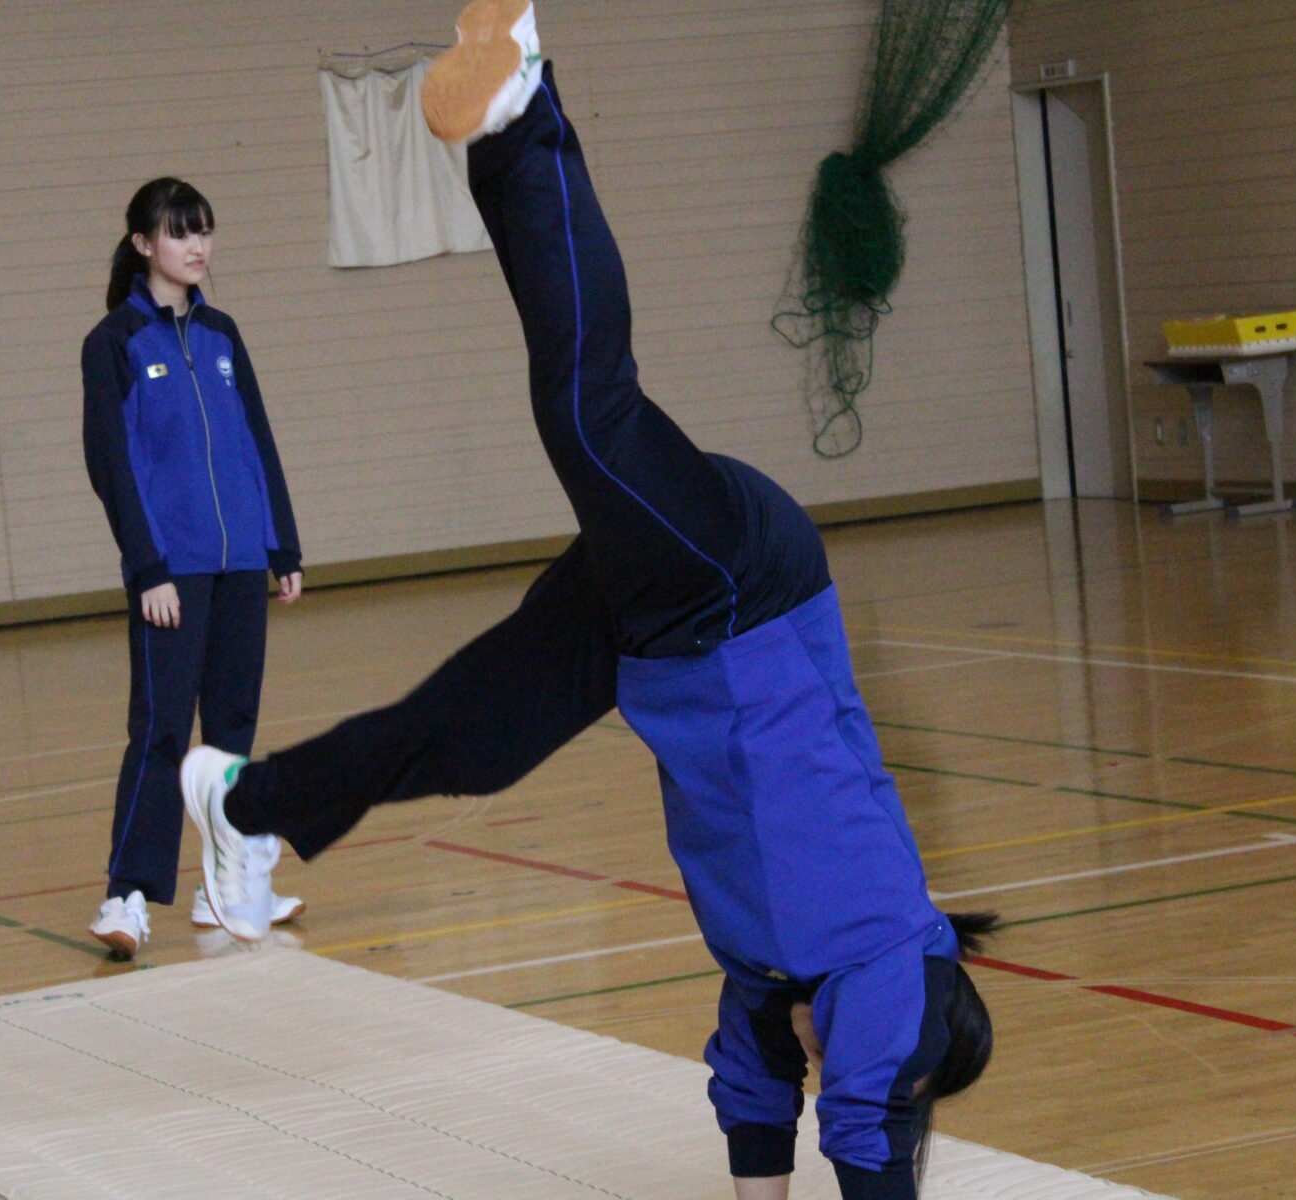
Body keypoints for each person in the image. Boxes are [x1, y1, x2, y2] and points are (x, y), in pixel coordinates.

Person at [181, 5, 996, 1197]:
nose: (821, 1075)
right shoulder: (888, 968)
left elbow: (754, 1103)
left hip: (656, 646)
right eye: (853, 1076)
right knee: (589, 413)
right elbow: (868, 1134)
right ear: (921, 1059)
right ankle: (525, 112)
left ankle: (247, 803)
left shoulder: (773, 976)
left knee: (472, 739)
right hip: (745, 590)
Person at [80, 177, 308, 958]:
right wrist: (148, 569)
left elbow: (259, 441)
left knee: (233, 730)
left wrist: (281, 545)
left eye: (204, 232)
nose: (198, 247)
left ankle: (231, 890)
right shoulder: (113, 344)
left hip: (241, 560)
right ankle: (126, 897)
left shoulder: (223, 335)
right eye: (180, 234)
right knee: (163, 733)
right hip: (170, 572)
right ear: (144, 244)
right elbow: (112, 467)